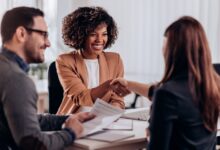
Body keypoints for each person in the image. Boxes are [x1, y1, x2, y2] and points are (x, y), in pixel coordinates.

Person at [111, 16, 220, 149]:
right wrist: (127, 83)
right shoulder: (212, 85)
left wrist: (151, 134)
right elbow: (157, 91)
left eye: (165, 44)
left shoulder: (167, 94)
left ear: (172, 50)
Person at [0, 6, 94, 150]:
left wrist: (67, 119)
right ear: (21, 34)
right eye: (43, 34)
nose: (48, 43)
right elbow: (33, 143)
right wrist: (70, 133)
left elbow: (24, 119)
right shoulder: (16, 79)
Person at [56, 6, 129, 115]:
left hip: (105, 123)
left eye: (104, 34)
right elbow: (81, 97)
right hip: (73, 122)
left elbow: (117, 100)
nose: (100, 40)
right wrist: (108, 85)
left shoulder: (115, 60)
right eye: (93, 34)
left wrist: (111, 116)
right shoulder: (65, 61)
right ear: (80, 35)